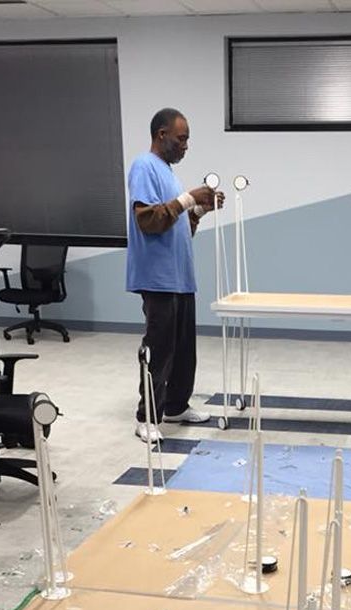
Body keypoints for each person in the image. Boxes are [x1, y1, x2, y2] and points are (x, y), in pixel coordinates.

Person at [126, 107, 224, 442]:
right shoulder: (144, 166)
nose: (185, 146)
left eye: (187, 140)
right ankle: (147, 417)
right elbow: (148, 220)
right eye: (181, 139)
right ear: (162, 134)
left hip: (180, 277)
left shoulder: (168, 173)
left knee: (183, 349)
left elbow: (177, 227)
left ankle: (176, 405)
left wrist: (198, 210)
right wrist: (187, 198)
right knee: (159, 348)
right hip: (158, 278)